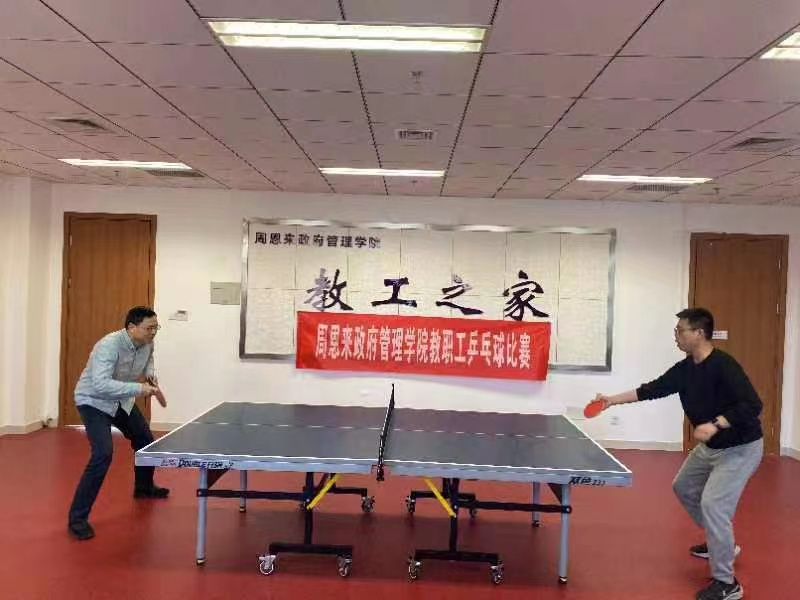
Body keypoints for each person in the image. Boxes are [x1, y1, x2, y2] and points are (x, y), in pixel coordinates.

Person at [595, 307, 762, 600]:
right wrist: (612, 400)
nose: (676, 336)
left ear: (699, 333)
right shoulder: (685, 369)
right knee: (683, 486)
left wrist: (716, 424)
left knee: (713, 504)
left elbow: (753, 405)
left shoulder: (724, 366)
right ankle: (720, 541)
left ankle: (727, 584)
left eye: (680, 330)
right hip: (711, 447)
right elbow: (652, 389)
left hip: (740, 447)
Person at [67, 306, 170, 541]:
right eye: (149, 328)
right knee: (103, 454)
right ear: (132, 327)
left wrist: (150, 376)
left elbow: (149, 361)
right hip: (94, 401)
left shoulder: (147, 343)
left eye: (156, 328)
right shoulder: (108, 346)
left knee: (145, 441)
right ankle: (77, 519)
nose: (153, 332)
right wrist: (140, 388)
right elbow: (101, 384)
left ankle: (144, 488)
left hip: (121, 401)